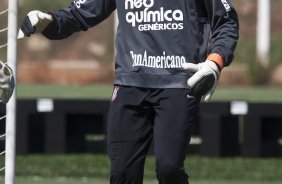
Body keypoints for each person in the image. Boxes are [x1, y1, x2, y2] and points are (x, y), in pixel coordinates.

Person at [18, 0, 239, 183]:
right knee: (122, 173)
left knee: (169, 167)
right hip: (129, 85)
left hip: (179, 84)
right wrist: (48, 21)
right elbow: (79, 14)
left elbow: (227, 21)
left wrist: (215, 62)